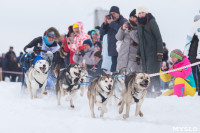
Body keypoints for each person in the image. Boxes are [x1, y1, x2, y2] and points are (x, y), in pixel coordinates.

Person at [136, 6, 163, 97]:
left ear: (146, 13)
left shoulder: (151, 21)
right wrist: (138, 54)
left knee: (154, 74)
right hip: (144, 54)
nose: (141, 15)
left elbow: (159, 38)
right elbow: (140, 41)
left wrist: (159, 53)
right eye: (139, 13)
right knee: (146, 75)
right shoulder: (139, 25)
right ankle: (148, 93)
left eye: (142, 12)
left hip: (153, 53)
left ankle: (158, 92)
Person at [100, 6, 127, 72]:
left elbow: (122, 31)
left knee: (121, 69)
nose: (112, 15)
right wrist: (105, 23)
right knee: (114, 69)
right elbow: (102, 33)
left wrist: (112, 23)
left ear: (119, 14)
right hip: (113, 50)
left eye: (114, 13)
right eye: (111, 13)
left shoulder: (124, 21)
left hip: (121, 50)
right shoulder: (109, 23)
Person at [183, 15, 200, 96]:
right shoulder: (192, 30)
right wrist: (186, 55)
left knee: (198, 72)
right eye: (195, 20)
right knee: (192, 72)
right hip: (192, 56)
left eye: (197, 20)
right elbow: (188, 43)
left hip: (198, 55)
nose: (195, 21)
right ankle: (195, 87)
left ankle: (198, 88)